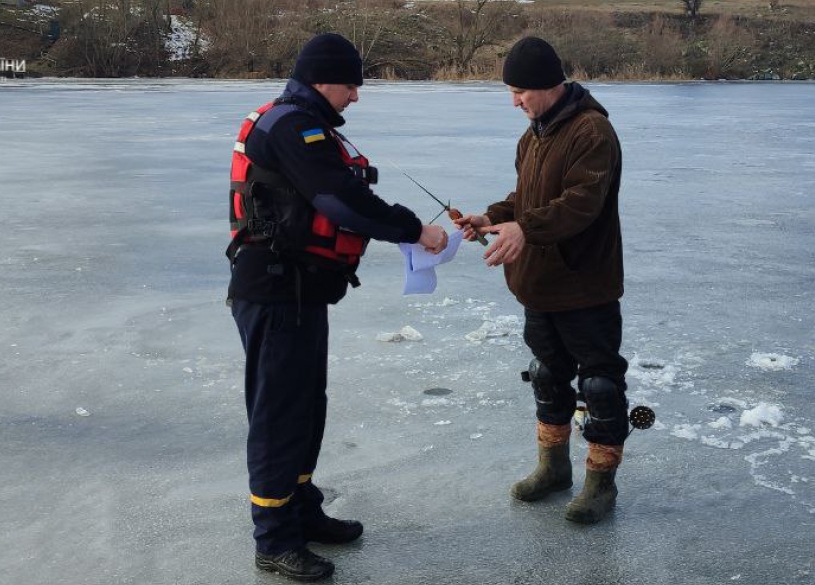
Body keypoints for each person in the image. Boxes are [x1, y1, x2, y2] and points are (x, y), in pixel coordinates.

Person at [226, 33, 447, 581]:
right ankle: (273, 538)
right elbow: (340, 201)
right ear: (323, 79)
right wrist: (416, 230)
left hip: (298, 292)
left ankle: (300, 511)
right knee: (279, 415)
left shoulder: (304, 123)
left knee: (307, 406)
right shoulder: (292, 127)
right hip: (275, 292)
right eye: (351, 85)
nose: (355, 96)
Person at [454, 36, 627, 524]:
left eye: (519, 91)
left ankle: (601, 483)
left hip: (584, 285)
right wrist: (491, 218)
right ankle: (553, 470)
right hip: (538, 284)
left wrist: (523, 228)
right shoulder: (533, 134)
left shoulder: (592, 132)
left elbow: (579, 205)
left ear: (546, 85)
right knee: (549, 377)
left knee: (599, 385)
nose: (514, 102)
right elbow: (527, 197)